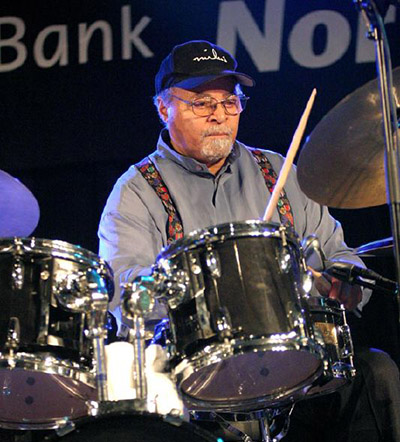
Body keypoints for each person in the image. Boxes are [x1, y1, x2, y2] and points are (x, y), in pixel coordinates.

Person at [98, 40, 400, 441]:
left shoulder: (279, 170)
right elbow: (124, 295)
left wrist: (345, 286)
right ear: (163, 108)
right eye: (202, 103)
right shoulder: (136, 191)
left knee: (377, 373)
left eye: (229, 102)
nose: (219, 116)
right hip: (198, 387)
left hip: (299, 371)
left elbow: (341, 255)